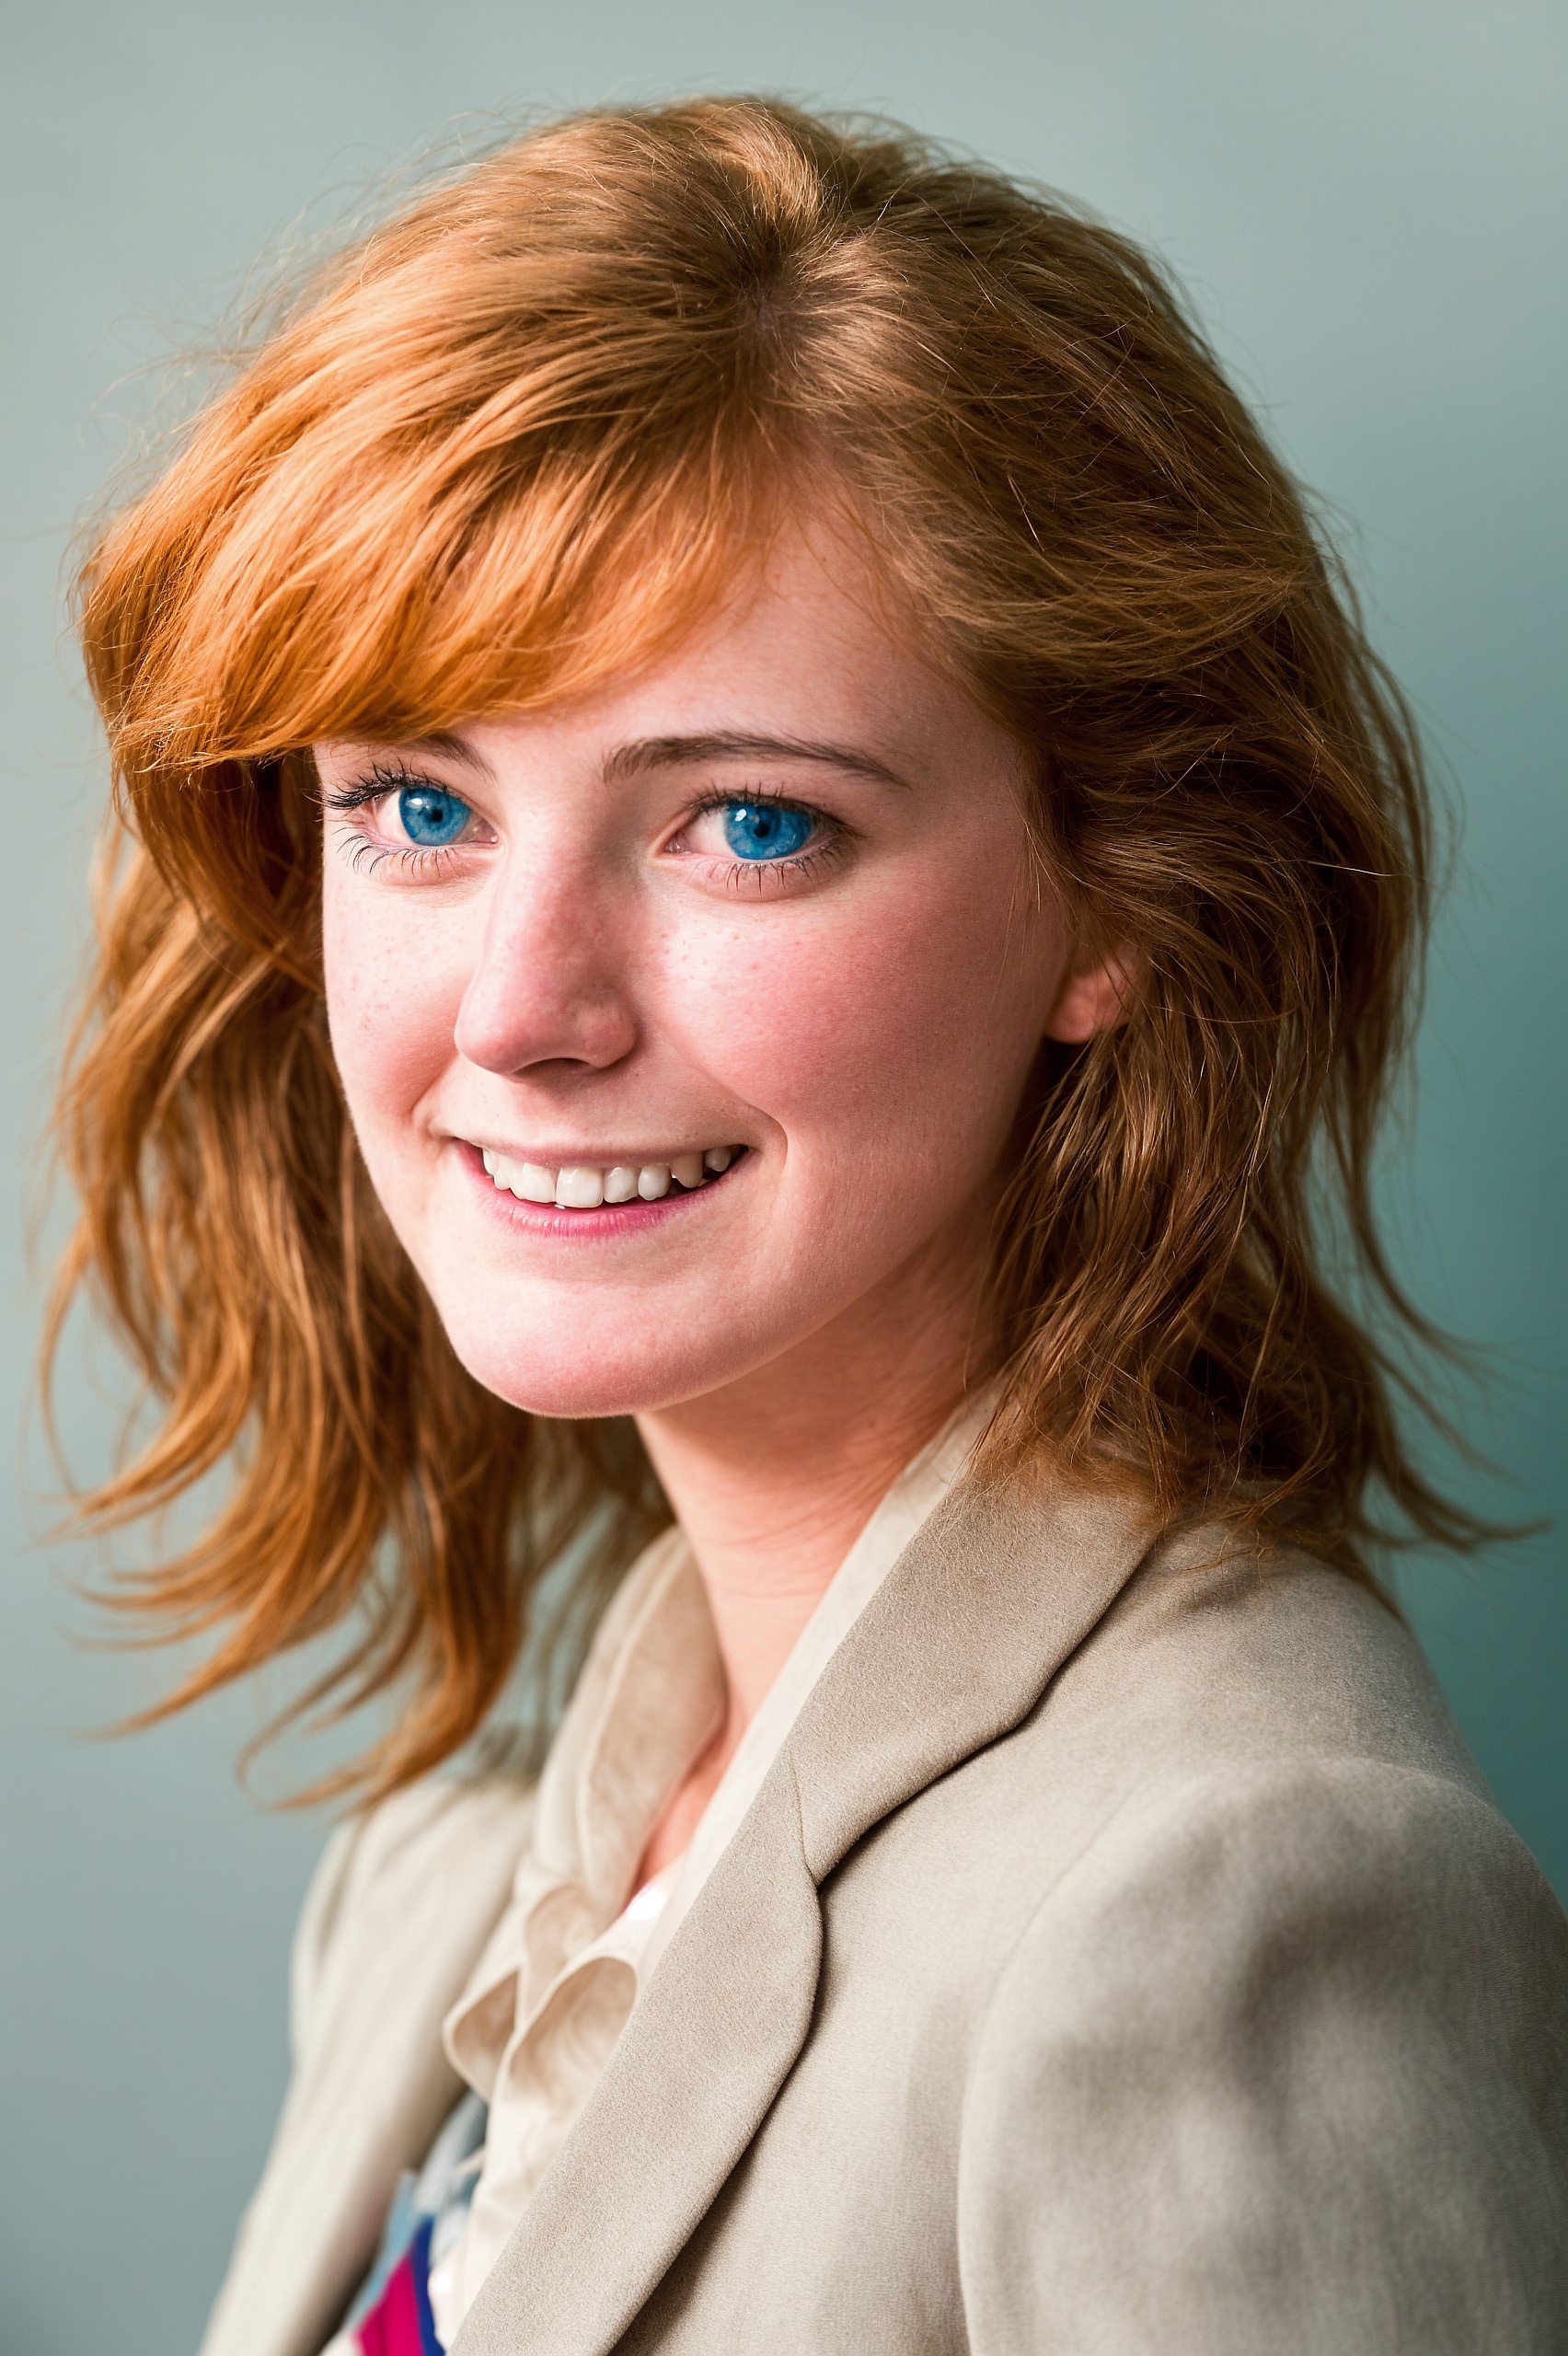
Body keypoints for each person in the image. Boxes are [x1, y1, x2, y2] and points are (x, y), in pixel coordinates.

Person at [52, 96, 1566, 2356]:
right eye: (419, 803)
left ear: (1120, 903)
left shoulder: (1236, 1899)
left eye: (749, 819)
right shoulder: (458, 1882)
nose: (522, 1007)